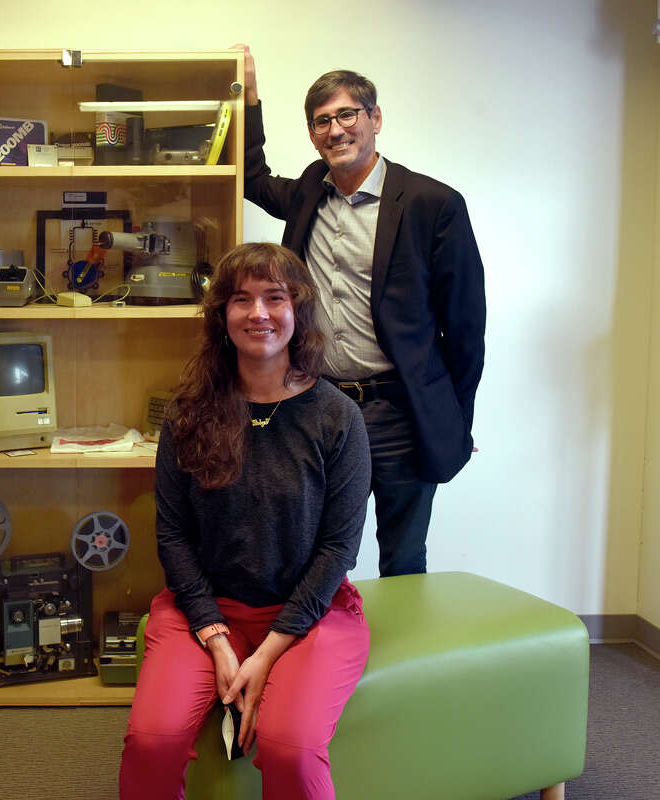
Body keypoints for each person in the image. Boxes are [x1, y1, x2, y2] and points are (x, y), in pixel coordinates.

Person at [119, 242, 372, 800]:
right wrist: (216, 638)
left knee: (290, 749)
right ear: (222, 316)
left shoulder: (338, 417)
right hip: (204, 610)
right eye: (242, 299)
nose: (258, 313)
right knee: (151, 742)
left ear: (298, 310)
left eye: (274, 298)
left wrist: (268, 652)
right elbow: (173, 534)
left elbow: (338, 549)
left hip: (311, 614)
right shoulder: (188, 411)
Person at [236, 46, 486, 577]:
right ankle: (328, 658)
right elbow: (252, 176)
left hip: (399, 409)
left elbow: (466, 328)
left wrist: (455, 420)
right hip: (318, 407)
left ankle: (405, 660)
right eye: (321, 121)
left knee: (403, 555)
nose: (335, 130)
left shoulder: (431, 204)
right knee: (317, 552)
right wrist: (249, 94)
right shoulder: (309, 192)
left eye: (347, 114)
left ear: (375, 119)